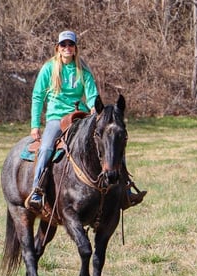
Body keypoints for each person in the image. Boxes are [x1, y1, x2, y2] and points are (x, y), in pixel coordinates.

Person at [25, 30, 145, 212]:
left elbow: (92, 95)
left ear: (75, 48)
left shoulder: (83, 69)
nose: (67, 48)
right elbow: (37, 96)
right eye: (63, 45)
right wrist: (35, 125)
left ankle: (125, 189)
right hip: (56, 117)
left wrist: (94, 110)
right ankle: (37, 190)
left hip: (80, 115)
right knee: (47, 147)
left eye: (70, 45)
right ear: (58, 48)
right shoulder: (49, 68)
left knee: (112, 141)